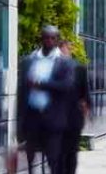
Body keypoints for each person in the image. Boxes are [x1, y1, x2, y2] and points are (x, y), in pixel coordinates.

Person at [17, 25, 75, 174]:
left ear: (57, 40)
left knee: (53, 158)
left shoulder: (65, 62)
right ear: (41, 38)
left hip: (54, 119)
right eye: (46, 37)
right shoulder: (29, 61)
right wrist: (19, 123)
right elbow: (22, 92)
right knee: (30, 159)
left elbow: (67, 86)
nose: (49, 40)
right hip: (32, 117)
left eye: (52, 37)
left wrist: (41, 84)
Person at [59, 40, 91, 174]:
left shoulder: (79, 68)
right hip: (56, 118)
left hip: (73, 119)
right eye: (66, 48)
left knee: (71, 152)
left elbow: (85, 94)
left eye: (69, 48)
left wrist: (85, 113)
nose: (68, 51)